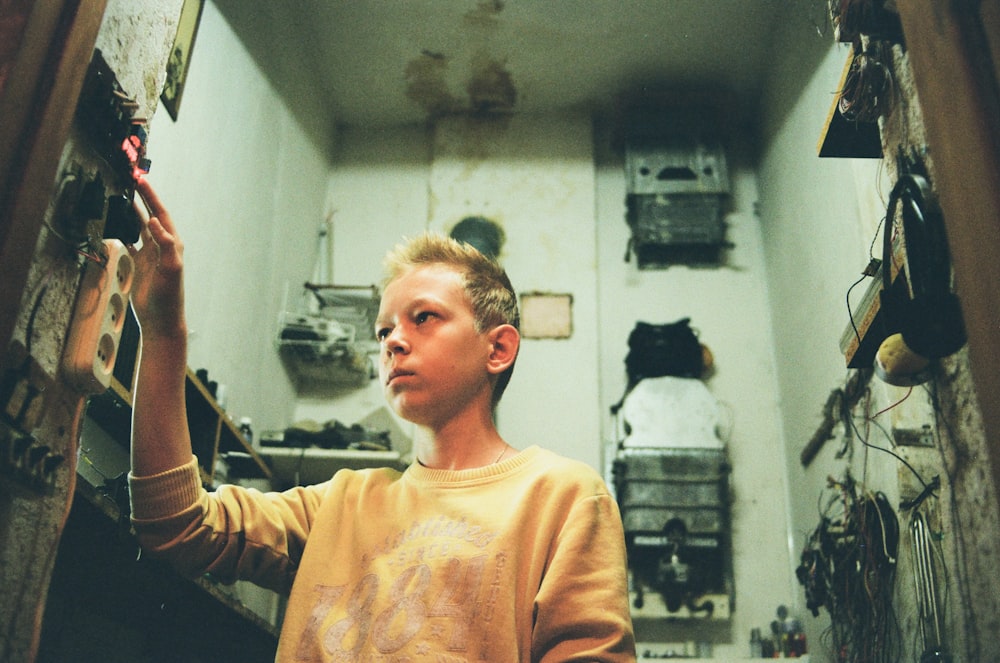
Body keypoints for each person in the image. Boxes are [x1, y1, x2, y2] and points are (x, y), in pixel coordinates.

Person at [127, 177, 637, 662]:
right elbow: (178, 527)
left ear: (498, 348)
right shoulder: (343, 502)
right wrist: (163, 332)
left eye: (424, 317)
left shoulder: (562, 496)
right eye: (383, 330)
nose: (392, 340)